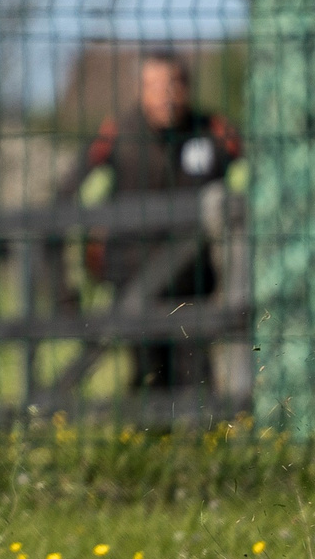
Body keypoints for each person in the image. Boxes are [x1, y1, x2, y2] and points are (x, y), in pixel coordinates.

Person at [68, 51, 244, 389]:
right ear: (141, 89)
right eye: (156, 86)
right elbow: (69, 196)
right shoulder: (117, 135)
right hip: (133, 286)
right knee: (149, 379)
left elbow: (258, 178)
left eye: (174, 84)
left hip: (195, 287)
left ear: (188, 87)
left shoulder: (214, 131)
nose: (167, 95)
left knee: (197, 382)